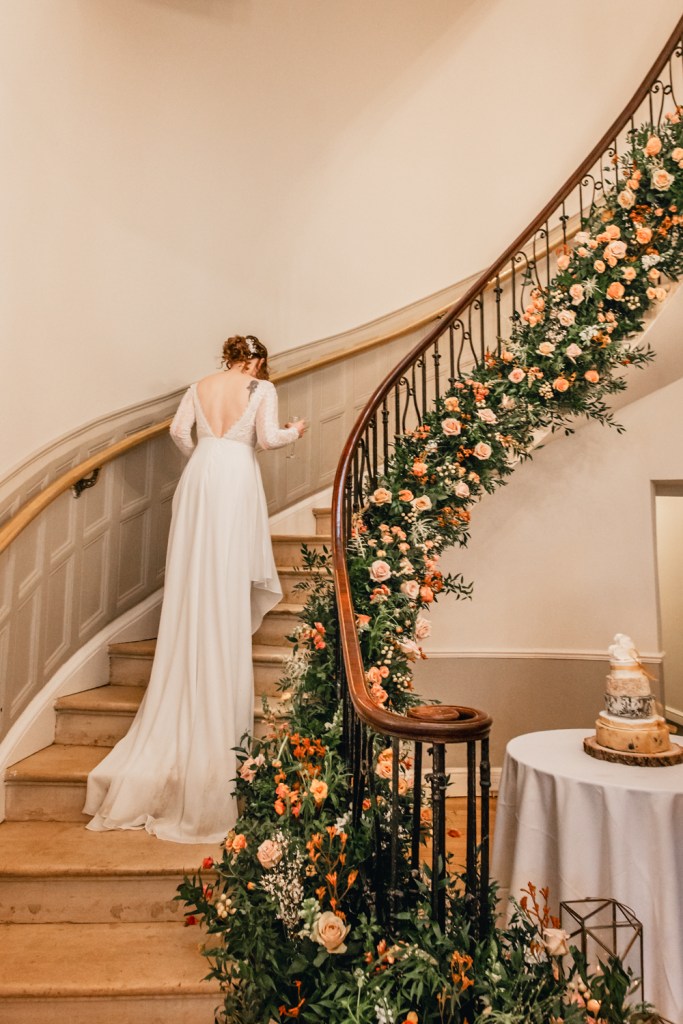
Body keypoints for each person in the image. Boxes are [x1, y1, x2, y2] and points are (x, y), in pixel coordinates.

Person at [83, 335, 305, 843]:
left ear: (225, 356)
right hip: (235, 478)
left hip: (202, 474)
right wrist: (294, 432)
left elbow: (178, 432)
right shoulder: (260, 389)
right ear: (257, 359)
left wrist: (206, 451)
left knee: (194, 576)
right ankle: (218, 672)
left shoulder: (199, 385)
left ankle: (187, 672)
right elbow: (267, 440)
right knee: (225, 574)